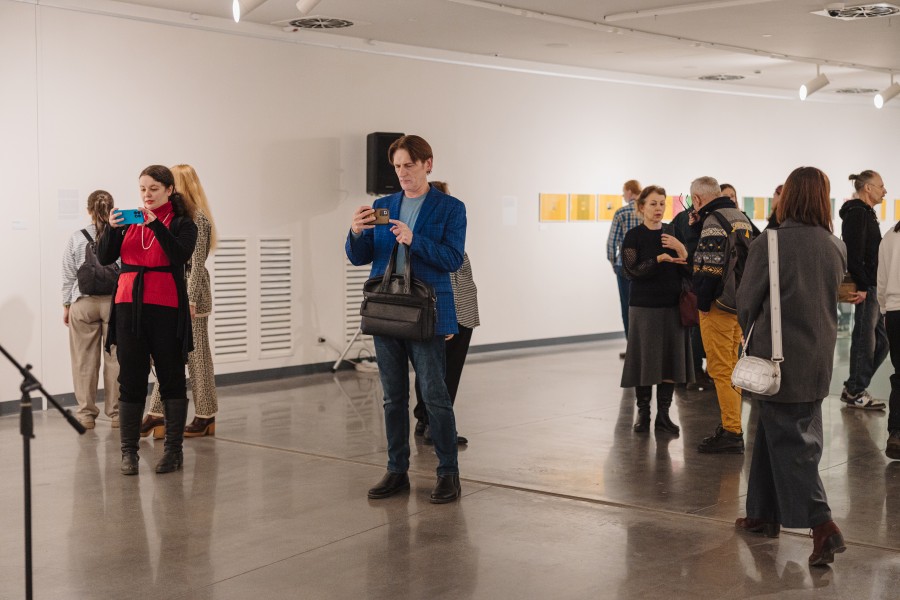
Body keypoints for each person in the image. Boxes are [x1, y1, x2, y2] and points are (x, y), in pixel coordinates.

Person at [734, 166, 847, 567]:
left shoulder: (770, 242)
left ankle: (823, 526)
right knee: (774, 431)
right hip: (818, 357)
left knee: (794, 446)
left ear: (790, 197)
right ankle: (763, 514)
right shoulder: (835, 245)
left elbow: (746, 303)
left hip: (777, 361)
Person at [345, 135, 466, 504]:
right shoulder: (383, 205)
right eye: (397, 166)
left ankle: (448, 473)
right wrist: (356, 232)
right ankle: (396, 470)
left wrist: (415, 240)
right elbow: (360, 257)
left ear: (428, 164)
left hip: (426, 310)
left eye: (408, 165)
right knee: (392, 397)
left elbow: (452, 259)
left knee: (434, 395)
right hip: (386, 310)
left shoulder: (450, 208)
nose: (402, 172)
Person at [98, 165, 197, 476]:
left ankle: (174, 451)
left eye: (153, 188)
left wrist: (155, 225)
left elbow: (179, 255)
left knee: (171, 378)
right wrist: (111, 229)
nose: (147, 194)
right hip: (129, 307)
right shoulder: (129, 224)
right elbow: (104, 258)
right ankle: (128, 452)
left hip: (166, 308)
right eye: (142, 189)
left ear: (169, 190)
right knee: (130, 379)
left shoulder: (182, 223)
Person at [141, 164, 219, 439]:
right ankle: (157, 414)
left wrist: (191, 300)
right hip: (172, 294)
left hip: (191, 298)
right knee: (168, 355)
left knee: (197, 358)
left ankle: (205, 415)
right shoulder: (177, 217)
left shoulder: (198, 219)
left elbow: (196, 265)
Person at [620, 186, 693, 434]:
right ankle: (643, 414)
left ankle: (663, 415)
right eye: (653, 204)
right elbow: (631, 271)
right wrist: (658, 259)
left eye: (662, 203)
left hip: (672, 306)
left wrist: (681, 249)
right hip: (644, 307)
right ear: (642, 207)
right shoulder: (634, 236)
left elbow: (689, 269)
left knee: (670, 362)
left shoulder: (673, 233)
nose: (658, 208)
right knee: (644, 362)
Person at [412, 181, 479, 447]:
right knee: (445, 374)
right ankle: (437, 427)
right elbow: (447, 281)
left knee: (427, 371)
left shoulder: (425, 241)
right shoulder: (438, 245)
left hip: (454, 313)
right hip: (451, 316)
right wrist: (448, 320)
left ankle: (423, 419)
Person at [691, 176, 754, 454]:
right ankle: (733, 426)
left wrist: (703, 302)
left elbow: (711, 268)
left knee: (719, 369)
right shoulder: (740, 216)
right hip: (739, 303)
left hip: (718, 305)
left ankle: (732, 431)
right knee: (732, 366)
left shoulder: (713, 221)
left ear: (697, 198)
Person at [62, 190, 121, 429]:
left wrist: (66, 305)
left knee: (84, 360)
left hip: (83, 303)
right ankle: (116, 414)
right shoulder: (120, 234)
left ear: (88, 210)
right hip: (114, 304)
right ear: (112, 209)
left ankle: (86, 414)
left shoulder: (77, 237)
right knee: (116, 360)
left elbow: (68, 274)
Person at [840, 170, 889, 410]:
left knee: (883, 342)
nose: (885, 191)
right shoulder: (857, 213)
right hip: (867, 286)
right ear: (868, 188)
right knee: (864, 340)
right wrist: (862, 286)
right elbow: (853, 254)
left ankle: (854, 386)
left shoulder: (865, 213)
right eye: (881, 186)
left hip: (872, 286)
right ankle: (855, 391)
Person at [671, 196, 712, 391]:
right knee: (696, 327)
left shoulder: (682, 217)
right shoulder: (692, 219)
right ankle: (693, 372)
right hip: (693, 281)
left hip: (687, 281)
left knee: (691, 327)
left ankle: (687, 373)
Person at [606, 179, 642, 358]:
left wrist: (615, 263)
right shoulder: (646, 211)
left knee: (627, 307)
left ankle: (632, 348)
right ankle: (644, 347)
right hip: (646, 267)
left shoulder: (621, 213)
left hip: (624, 267)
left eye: (623, 191)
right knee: (643, 307)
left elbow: (611, 243)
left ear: (629, 191)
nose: (623, 195)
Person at [879, 203, 900, 459]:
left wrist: (885, 309)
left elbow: (881, 280)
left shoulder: (890, 236)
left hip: (895, 312)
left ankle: (896, 433)